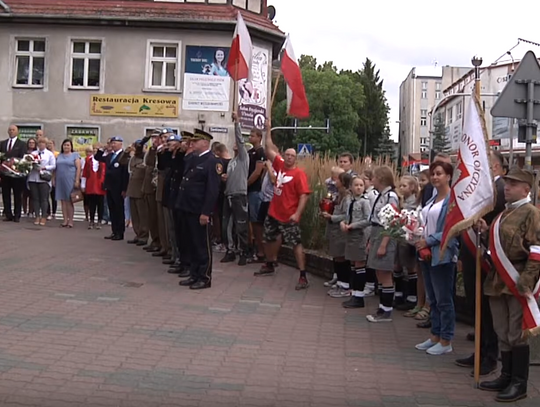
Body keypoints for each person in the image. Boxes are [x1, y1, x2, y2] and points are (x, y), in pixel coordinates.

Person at [477, 167, 540, 403]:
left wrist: (527, 281)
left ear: (526, 188)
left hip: (517, 276)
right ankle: (505, 374)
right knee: (502, 330)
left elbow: (536, 250)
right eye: (507, 184)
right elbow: (498, 245)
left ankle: (519, 382)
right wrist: (484, 233)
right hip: (498, 279)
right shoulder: (504, 214)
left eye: (512, 184)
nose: (507, 188)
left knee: (516, 332)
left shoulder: (532, 213)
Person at [455, 151, 507, 376]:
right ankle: (480, 350)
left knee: (487, 308)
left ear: (494, 167)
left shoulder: (500, 189)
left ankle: (489, 356)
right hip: (472, 253)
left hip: (487, 256)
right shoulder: (484, 189)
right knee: (476, 305)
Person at [255, 120, 311, 290]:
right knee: (268, 238)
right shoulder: (279, 165)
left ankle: (303, 276)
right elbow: (269, 148)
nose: (288, 157)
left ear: (295, 158)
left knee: (296, 244)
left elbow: (304, 196)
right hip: (274, 212)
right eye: (287, 154)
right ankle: (270, 263)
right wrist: (268, 130)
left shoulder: (298, 174)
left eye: (292, 155)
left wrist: (297, 214)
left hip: (289, 215)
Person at [414, 161, 459, 355]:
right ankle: (435, 335)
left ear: (448, 176)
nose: (434, 177)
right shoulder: (432, 198)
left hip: (442, 253)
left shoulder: (452, 200)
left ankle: (446, 339)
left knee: (443, 299)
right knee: (432, 297)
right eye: (433, 174)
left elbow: (452, 229)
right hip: (426, 252)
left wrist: (429, 240)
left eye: (439, 174)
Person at [177, 128, 221, 290]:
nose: (192, 144)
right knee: (192, 243)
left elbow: (212, 190)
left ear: (204, 143)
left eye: (195, 141)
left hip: (199, 210)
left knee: (202, 245)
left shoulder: (212, 161)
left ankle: (204, 277)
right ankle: (194, 274)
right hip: (188, 207)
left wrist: (206, 212)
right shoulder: (194, 159)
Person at [365, 166, 400, 323]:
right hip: (376, 233)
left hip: (384, 234)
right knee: (379, 271)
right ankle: (383, 307)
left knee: (385, 273)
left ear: (381, 178)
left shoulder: (390, 196)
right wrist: (371, 241)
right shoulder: (381, 195)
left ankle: (386, 309)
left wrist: (384, 244)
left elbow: (392, 222)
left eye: (374, 177)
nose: (372, 180)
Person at [221, 112, 250, 266]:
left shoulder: (243, 157)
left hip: (239, 195)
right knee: (227, 225)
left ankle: (244, 252)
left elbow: (239, 140)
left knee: (241, 225)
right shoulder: (232, 161)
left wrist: (237, 123)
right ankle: (230, 250)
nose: (235, 144)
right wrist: (226, 177)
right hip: (229, 195)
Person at [341, 176, 372, 308]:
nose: (359, 187)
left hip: (360, 235)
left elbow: (368, 219)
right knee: (353, 264)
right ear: (351, 187)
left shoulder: (365, 202)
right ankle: (353, 293)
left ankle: (359, 296)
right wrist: (343, 223)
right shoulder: (349, 200)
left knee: (359, 264)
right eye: (356, 185)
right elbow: (346, 215)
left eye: (361, 185)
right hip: (350, 236)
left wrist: (353, 225)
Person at [323, 170, 353, 298]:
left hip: (340, 232)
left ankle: (344, 284)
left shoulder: (347, 197)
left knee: (341, 257)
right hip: (335, 231)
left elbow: (347, 215)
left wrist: (332, 217)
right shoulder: (339, 195)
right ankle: (340, 282)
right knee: (337, 256)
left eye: (338, 180)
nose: (335, 182)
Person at [95, 136, 129, 241]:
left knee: (119, 210)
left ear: (120, 144)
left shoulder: (124, 156)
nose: (113, 145)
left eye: (115, 143)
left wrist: (124, 189)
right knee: (112, 210)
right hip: (109, 186)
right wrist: (102, 149)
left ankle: (120, 232)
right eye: (112, 143)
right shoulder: (110, 156)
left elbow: (125, 174)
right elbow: (98, 158)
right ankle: (114, 231)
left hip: (118, 188)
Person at [247, 126, 267, 262]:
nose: (250, 138)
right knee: (250, 222)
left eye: (253, 136)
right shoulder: (250, 152)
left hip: (255, 190)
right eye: (250, 135)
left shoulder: (261, 152)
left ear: (259, 137)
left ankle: (261, 251)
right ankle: (253, 249)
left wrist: (246, 184)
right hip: (249, 191)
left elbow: (258, 171)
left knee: (256, 222)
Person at [0, 125, 27, 222]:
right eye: (10, 130)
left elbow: (23, 158)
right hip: (4, 174)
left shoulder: (22, 144)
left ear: (17, 132)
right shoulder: (3, 143)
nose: (11, 131)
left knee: (17, 195)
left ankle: (17, 215)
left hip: (16, 175)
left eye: (13, 130)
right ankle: (8, 214)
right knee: (6, 194)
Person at [27, 138, 56, 226]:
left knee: (44, 198)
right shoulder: (33, 153)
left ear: (46, 144)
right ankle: (37, 216)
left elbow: (53, 165)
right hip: (33, 178)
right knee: (35, 198)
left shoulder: (49, 154)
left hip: (44, 178)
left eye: (43, 143)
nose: (41, 144)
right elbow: (27, 163)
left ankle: (43, 216)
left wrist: (44, 168)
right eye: (39, 143)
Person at [54, 139, 81, 228]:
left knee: (69, 200)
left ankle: (71, 220)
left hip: (70, 179)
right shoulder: (59, 156)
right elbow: (55, 168)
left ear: (71, 146)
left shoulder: (75, 155)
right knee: (62, 201)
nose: (66, 147)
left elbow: (78, 168)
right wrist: (53, 179)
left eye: (68, 145)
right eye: (65, 145)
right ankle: (65, 220)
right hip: (60, 179)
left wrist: (77, 180)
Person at [126, 140, 149, 246]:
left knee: (142, 215)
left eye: (139, 146)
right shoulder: (133, 158)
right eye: (136, 146)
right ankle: (138, 234)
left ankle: (144, 236)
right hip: (132, 189)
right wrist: (127, 151)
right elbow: (122, 161)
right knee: (134, 215)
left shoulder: (145, 157)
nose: (137, 148)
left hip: (141, 190)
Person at [142, 130, 162, 252]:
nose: (154, 140)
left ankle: (159, 242)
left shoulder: (161, 151)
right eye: (152, 138)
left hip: (157, 187)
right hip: (149, 186)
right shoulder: (152, 150)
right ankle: (155, 240)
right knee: (151, 217)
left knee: (157, 217)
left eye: (156, 138)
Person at [81, 144, 106, 230]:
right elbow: (85, 173)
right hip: (91, 184)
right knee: (91, 203)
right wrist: (83, 185)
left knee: (100, 204)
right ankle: (91, 220)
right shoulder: (88, 160)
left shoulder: (103, 160)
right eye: (94, 149)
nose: (95, 151)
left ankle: (99, 220)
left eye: (97, 149)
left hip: (100, 185)